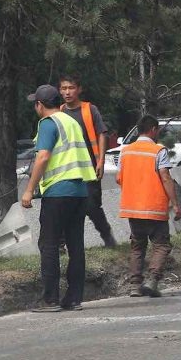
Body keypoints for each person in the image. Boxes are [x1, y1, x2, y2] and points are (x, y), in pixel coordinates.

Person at [20, 84, 98, 312]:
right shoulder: (71, 121)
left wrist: (29, 189)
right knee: (75, 246)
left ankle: (50, 300)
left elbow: (43, 157)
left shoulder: (47, 123)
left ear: (40, 105)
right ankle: (74, 299)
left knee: (49, 244)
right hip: (80, 191)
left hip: (58, 191)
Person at [117, 115, 181, 298]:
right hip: (154, 207)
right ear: (153, 129)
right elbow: (166, 177)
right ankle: (153, 280)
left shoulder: (126, 151)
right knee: (161, 245)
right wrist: (175, 204)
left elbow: (118, 178)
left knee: (137, 246)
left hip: (132, 208)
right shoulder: (158, 151)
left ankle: (135, 286)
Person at [59, 74, 117, 247]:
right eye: (64, 88)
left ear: (79, 89)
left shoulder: (89, 110)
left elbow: (102, 133)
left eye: (71, 88)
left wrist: (100, 161)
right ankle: (62, 244)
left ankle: (107, 237)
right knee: (64, 205)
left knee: (92, 206)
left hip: (90, 167)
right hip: (67, 168)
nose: (67, 92)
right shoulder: (60, 112)